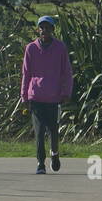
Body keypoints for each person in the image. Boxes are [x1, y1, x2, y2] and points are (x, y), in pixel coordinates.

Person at [19, 16, 73, 174]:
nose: (44, 30)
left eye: (48, 27)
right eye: (41, 27)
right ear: (38, 29)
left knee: (54, 131)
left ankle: (55, 154)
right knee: (39, 131)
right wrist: (24, 95)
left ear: (53, 29)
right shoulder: (31, 48)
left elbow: (67, 72)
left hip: (54, 97)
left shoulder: (60, 48)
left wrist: (66, 92)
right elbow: (26, 73)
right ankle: (40, 163)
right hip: (36, 96)